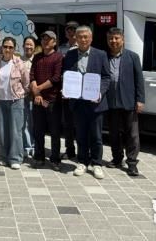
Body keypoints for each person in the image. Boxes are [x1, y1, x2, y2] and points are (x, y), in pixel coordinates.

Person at [62, 26, 111, 180]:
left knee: (96, 136)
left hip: (95, 102)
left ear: (91, 38)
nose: (83, 39)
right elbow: (66, 74)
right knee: (81, 134)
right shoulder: (70, 55)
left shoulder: (101, 54)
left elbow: (106, 77)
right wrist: (66, 89)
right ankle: (82, 162)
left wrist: (100, 93)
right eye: (80, 37)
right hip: (78, 102)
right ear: (75, 38)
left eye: (85, 37)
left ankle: (96, 163)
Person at [105, 27, 145, 177]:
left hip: (129, 101)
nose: (113, 41)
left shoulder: (132, 57)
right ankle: (117, 159)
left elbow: (139, 80)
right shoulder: (103, 56)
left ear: (123, 40)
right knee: (114, 133)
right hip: (110, 101)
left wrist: (140, 100)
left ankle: (132, 163)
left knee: (132, 134)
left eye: (117, 38)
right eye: (111, 38)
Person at [29, 31, 63, 170]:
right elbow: (32, 75)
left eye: (48, 39)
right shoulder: (37, 57)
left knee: (55, 132)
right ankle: (39, 157)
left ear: (54, 42)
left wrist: (39, 88)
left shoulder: (59, 57)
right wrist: (36, 92)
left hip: (53, 100)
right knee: (38, 130)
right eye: (43, 39)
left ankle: (55, 159)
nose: (45, 41)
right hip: (38, 99)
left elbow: (56, 78)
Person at [0, 37, 30, 169]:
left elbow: (26, 82)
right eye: (5, 47)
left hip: (16, 100)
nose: (7, 49)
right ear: (2, 47)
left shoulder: (19, 63)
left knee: (15, 130)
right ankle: (4, 156)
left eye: (10, 47)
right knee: (3, 130)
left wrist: (22, 94)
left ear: (14, 49)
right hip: (0, 100)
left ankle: (15, 158)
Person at [59, 21, 79, 160]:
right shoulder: (61, 49)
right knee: (68, 123)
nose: (71, 32)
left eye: (74, 29)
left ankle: (83, 151)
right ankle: (69, 149)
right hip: (66, 91)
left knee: (81, 123)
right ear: (66, 33)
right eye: (68, 30)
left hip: (81, 92)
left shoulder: (83, 47)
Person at [20, 36, 36, 160]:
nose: (28, 47)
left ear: (34, 47)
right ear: (23, 46)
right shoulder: (19, 60)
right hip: (23, 96)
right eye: (26, 44)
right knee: (24, 122)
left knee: (35, 122)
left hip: (35, 96)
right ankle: (27, 147)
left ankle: (35, 146)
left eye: (31, 44)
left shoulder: (38, 60)